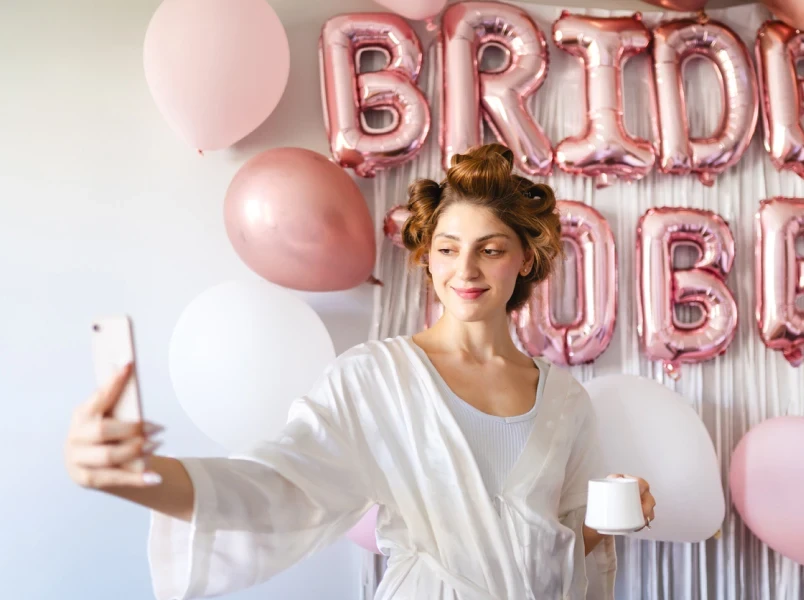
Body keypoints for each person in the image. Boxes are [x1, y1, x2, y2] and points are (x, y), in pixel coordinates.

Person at [64, 143, 655, 600]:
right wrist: (137, 476)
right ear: (428, 258)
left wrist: (615, 522)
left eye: (491, 249)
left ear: (525, 258)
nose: (466, 269)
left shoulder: (565, 401)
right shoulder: (379, 378)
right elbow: (279, 484)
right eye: (448, 249)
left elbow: (558, 544)